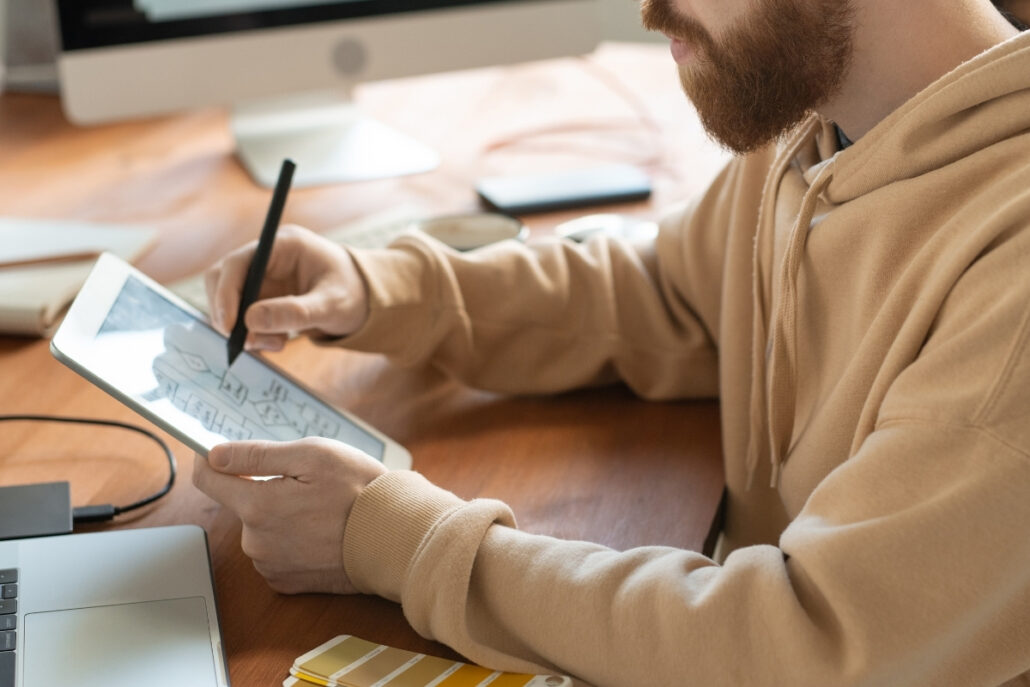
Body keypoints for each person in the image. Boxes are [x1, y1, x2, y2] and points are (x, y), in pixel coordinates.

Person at [194, 0, 1030, 684]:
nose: (646, 9)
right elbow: (673, 292)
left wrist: (396, 540)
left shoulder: (1012, 276)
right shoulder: (818, 123)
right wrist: (390, 289)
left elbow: (806, 643)